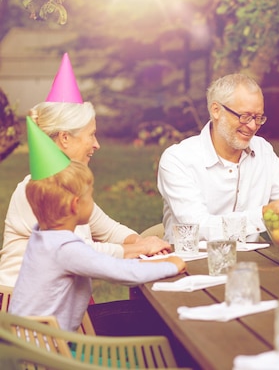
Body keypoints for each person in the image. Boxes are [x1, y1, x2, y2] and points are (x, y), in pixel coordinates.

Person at [9, 124, 186, 331]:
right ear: (76, 205)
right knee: (156, 333)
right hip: (54, 352)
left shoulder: (42, 237)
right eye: (90, 196)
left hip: (31, 342)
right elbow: (120, 272)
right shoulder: (66, 249)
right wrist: (171, 265)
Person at [0, 102, 172, 287]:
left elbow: (109, 230)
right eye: (91, 134)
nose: (97, 144)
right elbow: (83, 253)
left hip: (63, 301)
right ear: (65, 137)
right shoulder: (39, 192)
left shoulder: (70, 187)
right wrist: (144, 248)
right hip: (27, 309)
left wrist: (143, 242)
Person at [157, 73, 279, 242]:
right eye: (244, 116)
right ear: (216, 110)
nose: (253, 126)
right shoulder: (178, 159)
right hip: (192, 265)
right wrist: (262, 215)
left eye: (258, 118)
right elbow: (198, 227)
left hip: (249, 264)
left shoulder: (263, 150)